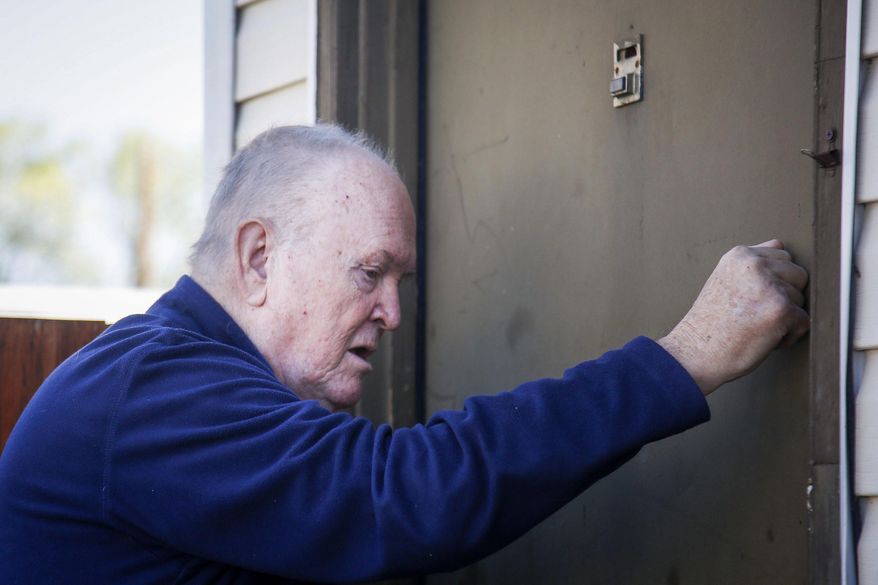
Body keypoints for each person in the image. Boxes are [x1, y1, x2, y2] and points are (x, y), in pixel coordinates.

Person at [0, 124, 809, 584]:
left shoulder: (185, 381)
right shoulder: (147, 389)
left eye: (400, 278)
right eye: (369, 271)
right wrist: (685, 355)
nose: (390, 310)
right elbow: (402, 493)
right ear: (257, 260)